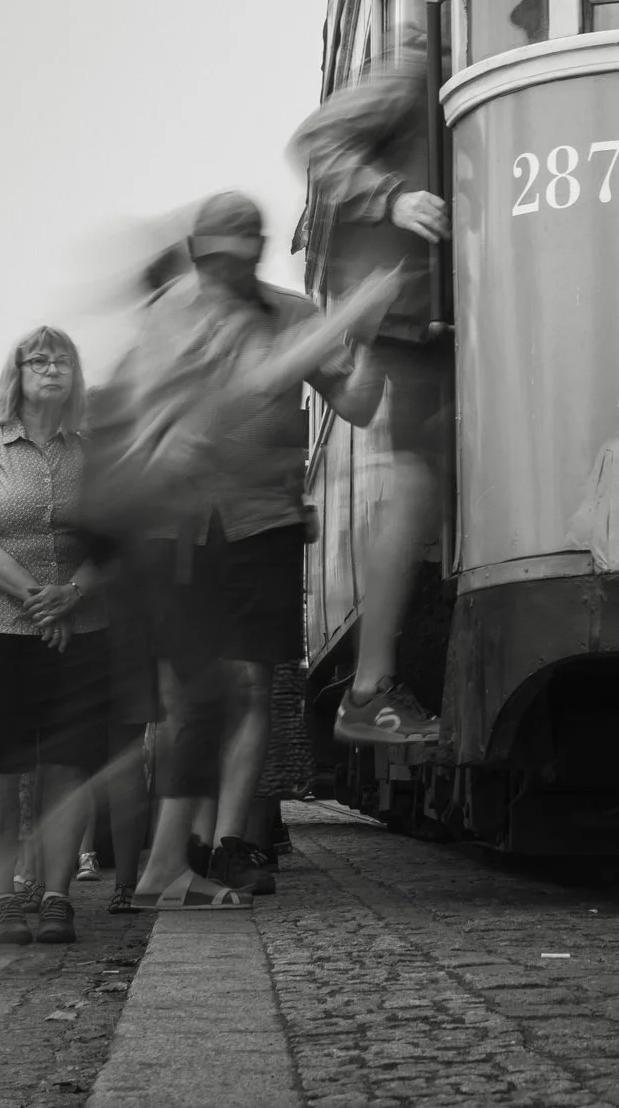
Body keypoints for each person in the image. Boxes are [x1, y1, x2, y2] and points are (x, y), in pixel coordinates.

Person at [117, 194, 388, 906]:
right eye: (213, 260)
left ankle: (232, 842)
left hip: (263, 521)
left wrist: (376, 342)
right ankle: (177, 850)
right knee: (189, 697)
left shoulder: (294, 312)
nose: (224, 274)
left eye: (239, 259)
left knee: (248, 684)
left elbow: (356, 404)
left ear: (258, 253)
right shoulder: (172, 313)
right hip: (180, 523)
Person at [290, 35, 452, 744]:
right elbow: (317, 139)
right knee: (417, 477)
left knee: (423, 476)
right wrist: (394, 198)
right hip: (416, 310)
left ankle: (370, 687)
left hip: (428, 306)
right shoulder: (422, 61)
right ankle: (369, 686)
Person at [0, 326, 111, 946]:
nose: (50, 368)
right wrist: (38, 602)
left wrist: (71, 595)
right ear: (15, 376)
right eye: (37, 360)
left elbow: (114, 543)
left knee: (67, 763)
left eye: (61, 359)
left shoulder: (94, 450)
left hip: (83, 623)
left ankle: (56, 897)